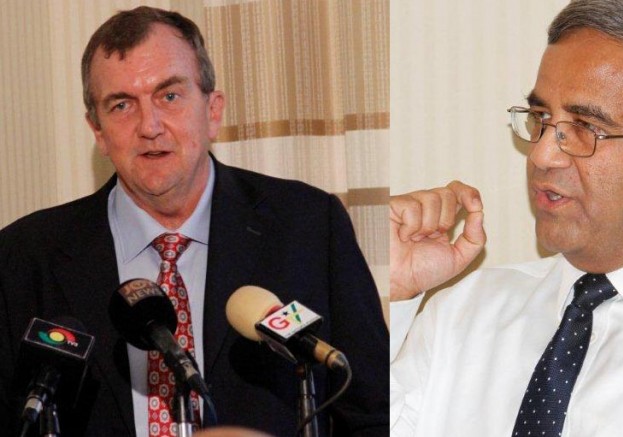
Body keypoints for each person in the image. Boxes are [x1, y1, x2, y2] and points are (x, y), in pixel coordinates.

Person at [390, 0, 623, 435]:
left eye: (586, 128)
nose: (541, 154)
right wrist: (390, 294)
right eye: (540, 118)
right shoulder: (462, 316)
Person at [0, 6, 388, 436]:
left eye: (169, 96)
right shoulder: (24, 257)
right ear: (98, 132)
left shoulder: (308, 226)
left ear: (213, 110)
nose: (149, 126)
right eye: (122, 104)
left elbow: (370, 414)